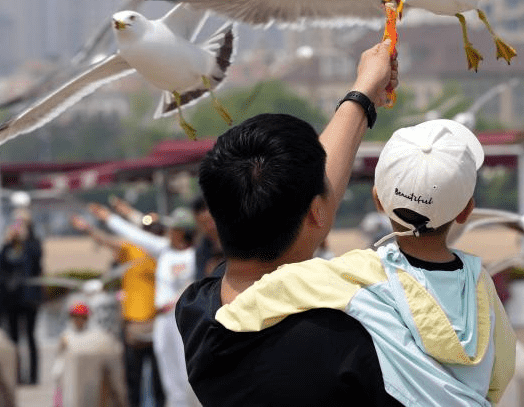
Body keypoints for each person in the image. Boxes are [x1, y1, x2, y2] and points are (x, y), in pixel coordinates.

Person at [176, 42, 425, 406]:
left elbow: (311, 194)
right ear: (315, 213)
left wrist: (363, 93)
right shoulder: (345, 338)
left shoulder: (198, 312)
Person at [213, 118, 517, 405]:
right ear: (466, 212)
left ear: (378, 201)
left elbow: (243, 310)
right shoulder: (480, 281)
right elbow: (501, 369)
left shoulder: (353, 275)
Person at [90, 200, 198, 407]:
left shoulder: (194, 255)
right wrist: (109, 218)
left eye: (174, 229)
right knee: (168, 375)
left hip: (180, 318)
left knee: (184, 373)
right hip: (162, 319)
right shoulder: (163, 250)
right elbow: (136, 234)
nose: (170, 232)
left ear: (183, 232)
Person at [71, 212, 165, 407]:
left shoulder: (165, 253)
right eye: (147, 230)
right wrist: (88, 228)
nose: (151, 234)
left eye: (154, 230)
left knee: (159, 383)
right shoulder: (131, 249)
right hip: (133, 327)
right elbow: (107, 241)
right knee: (133, 382)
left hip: (159, 325)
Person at [0, 216, 43, 385]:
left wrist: (27, 234)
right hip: (11, 299)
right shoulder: (8, 248)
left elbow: (36, 259)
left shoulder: (31, 245)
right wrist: (6, 241)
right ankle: (16, 374)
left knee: (30, 337)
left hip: (29, 298)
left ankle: (32, 375)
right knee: (13, 338)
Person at [52, 303, 91, 407]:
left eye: (82, 317)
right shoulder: (66, 337)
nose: (79, 321)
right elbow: (59, 358)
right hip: (69, 376)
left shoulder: (91, 337)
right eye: (76, 317)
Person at [190, 197, 221, 281]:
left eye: (211, 221)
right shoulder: (202, 250)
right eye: (204, 224)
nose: (210, 227)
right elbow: (200, 282)